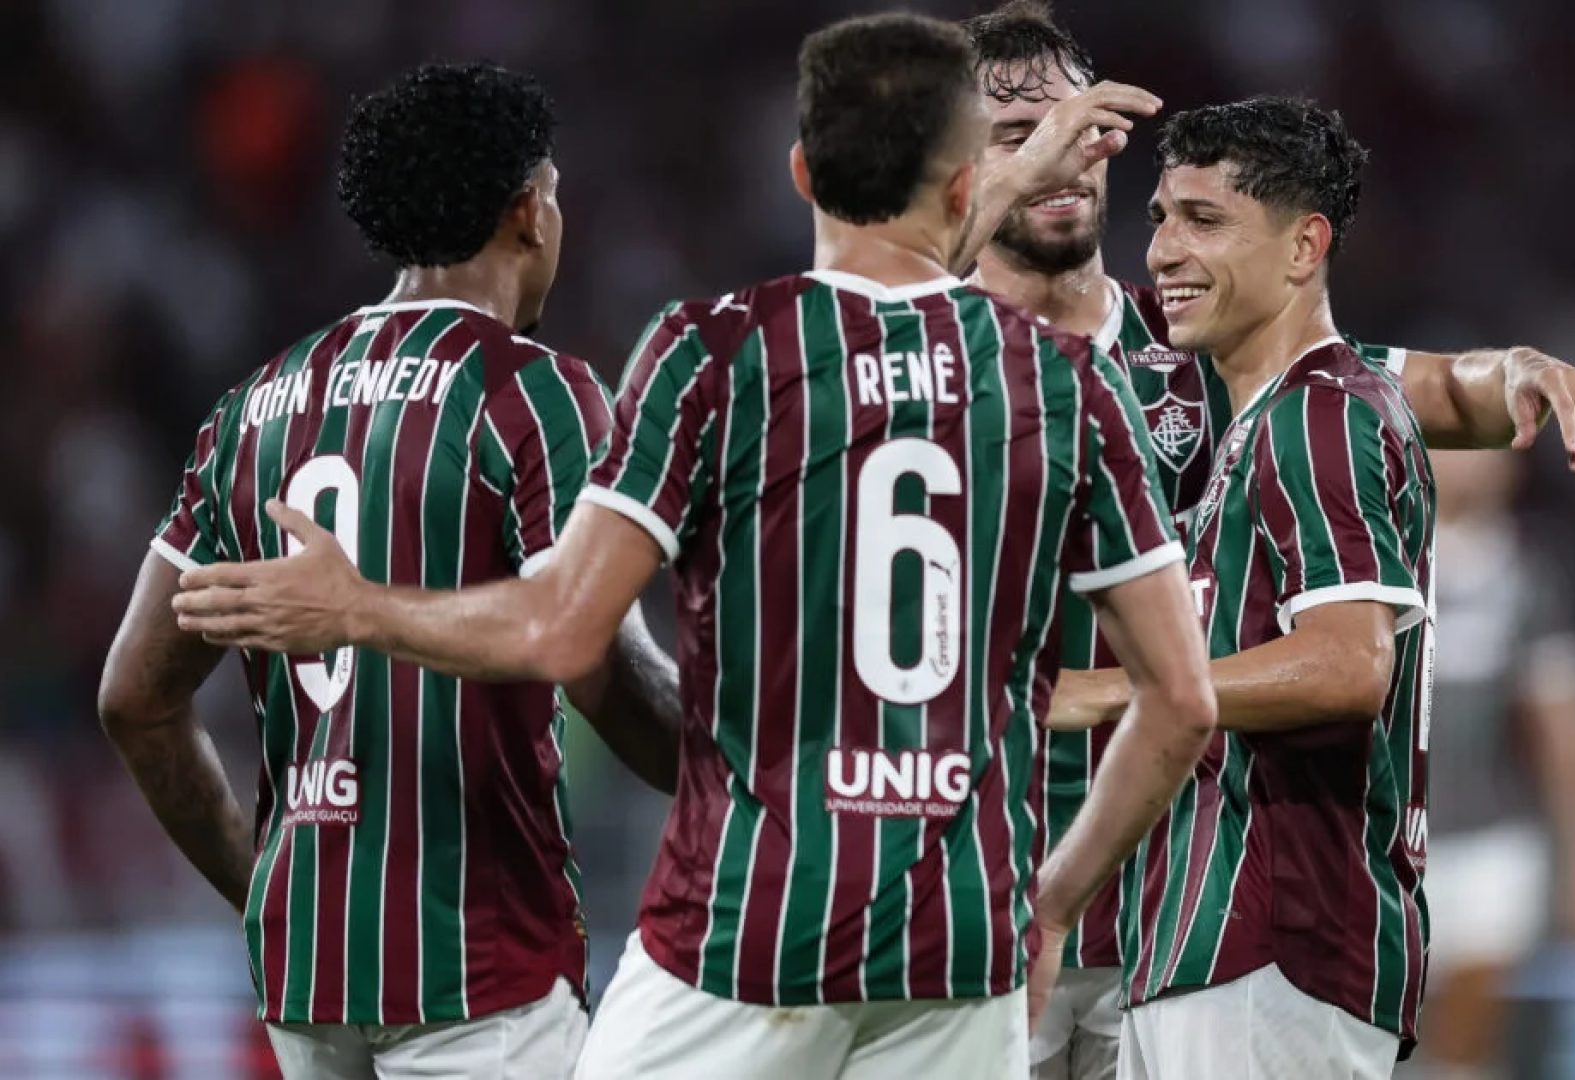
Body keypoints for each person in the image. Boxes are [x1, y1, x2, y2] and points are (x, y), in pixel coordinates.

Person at [170, 14, 1217, 1080]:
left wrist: (357, 606)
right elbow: (1181, 701)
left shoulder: (717, 351)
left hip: (746, 915)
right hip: (959, 932)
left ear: (800, 172)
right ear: (962, 190)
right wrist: (1050, 906)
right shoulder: (1065, 383)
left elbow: (562, 629)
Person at [953, 5, 1575, 1078]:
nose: (1061, 157)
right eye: (1019, 135)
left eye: (1081, 128)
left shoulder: (1194, 347)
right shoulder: (907, 363)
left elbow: (1402, 387)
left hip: (1164, 910)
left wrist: (1516, 370)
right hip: (975, 900)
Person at [97, 62, 678, 1079]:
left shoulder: (253, 409)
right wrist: (744, 773)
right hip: (477, 972)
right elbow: (598, 662)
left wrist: (263, 889)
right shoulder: (531, 392)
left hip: (309, 982)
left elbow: (134, 698)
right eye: (554, 192)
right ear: (527, 212)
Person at [1049, 96, 1432, 1079]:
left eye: (1205, 220)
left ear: (1305, 246)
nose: (1164, 252)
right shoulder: (1261, 425)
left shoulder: (1318, 415)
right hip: (1206, 942)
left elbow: (1349, 665)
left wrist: (1109, 691)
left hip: (1273, 939)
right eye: (1160, 219)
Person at [1412, 453, 1575, 1080]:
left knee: (1466, 1039)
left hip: (1490, 840)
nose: (1469, 461)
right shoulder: (1375, 559)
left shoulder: (1529, 575)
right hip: (1380, 841)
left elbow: (1567, 723)